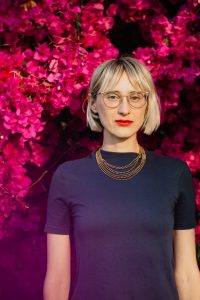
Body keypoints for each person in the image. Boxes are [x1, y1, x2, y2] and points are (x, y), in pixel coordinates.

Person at [43, 55, 200, 300]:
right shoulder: (68, 177)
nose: (124, 109)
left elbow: (188, 272)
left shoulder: (175, 174)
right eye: (113, 97)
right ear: (93, 102)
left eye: (135, 97)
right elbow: (58, 278)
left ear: (147, 104)